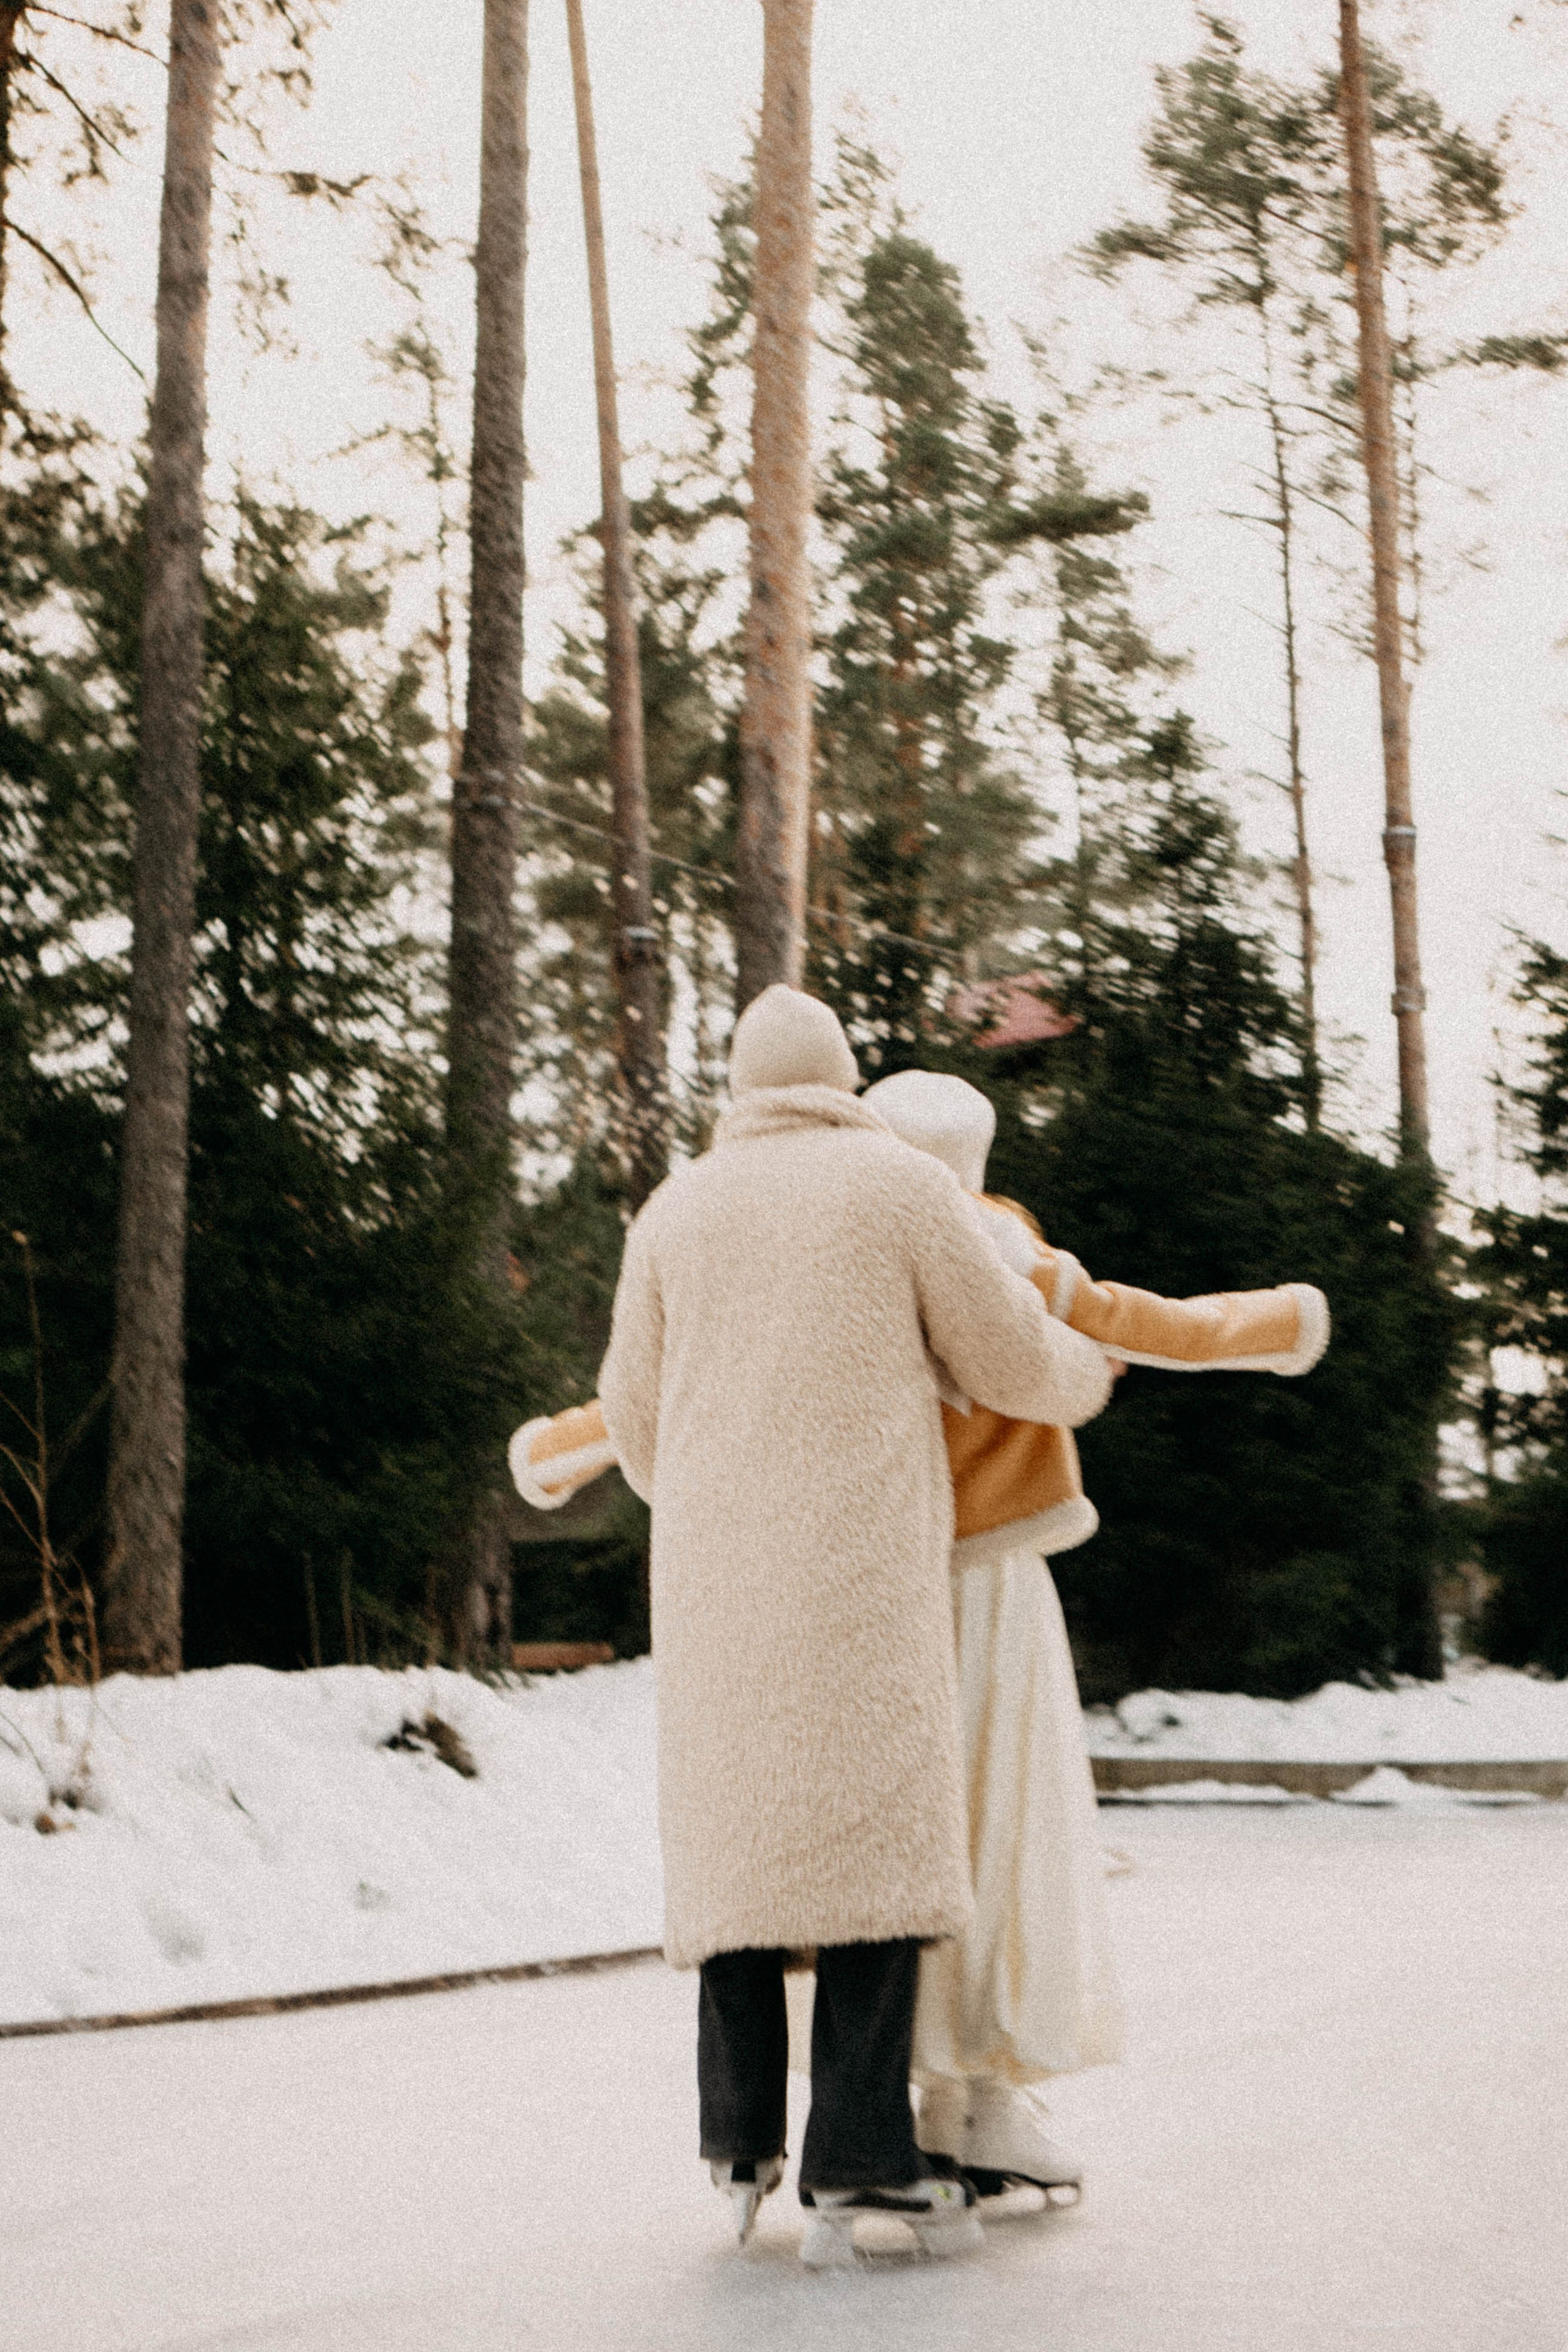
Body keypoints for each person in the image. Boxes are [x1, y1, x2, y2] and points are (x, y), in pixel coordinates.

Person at [591, 986, 1114, 2267]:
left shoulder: (674, 1212)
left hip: (716, 1589)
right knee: (875, 1857)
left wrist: (708, 1498)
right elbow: (1003, 1353)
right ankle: (860, 2159)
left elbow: (628, 1410)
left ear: (739, 1084)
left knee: (740, 1868)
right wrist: (1084, 1371)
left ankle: (736, 2145)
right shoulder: (892, 1188)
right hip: (859, 1577)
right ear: (837, 1080)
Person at [857, 1068, 1330, 2206]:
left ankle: (903, 2105)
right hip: (987, 1580)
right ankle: (984, 2107)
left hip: (861, 1581)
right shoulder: (991, 1238)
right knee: (1001, 1824)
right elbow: (1142, 1323)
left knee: (887, 1838)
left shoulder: (829, 1255)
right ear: (975, 1157)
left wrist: (566, 1447)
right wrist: (1282, 1322)